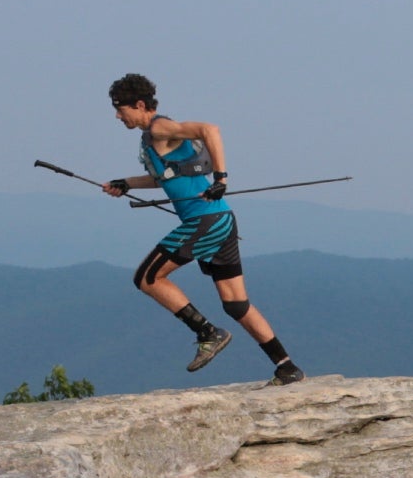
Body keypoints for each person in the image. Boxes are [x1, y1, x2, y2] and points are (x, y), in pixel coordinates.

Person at [103, 73, 303, 384]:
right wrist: (125, 183)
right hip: (221, 220)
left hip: (205, 222)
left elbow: (210, 129)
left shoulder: (159, 127)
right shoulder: (152, 139)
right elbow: (163, 178)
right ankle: (287, 367)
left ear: (139, 105)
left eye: (120, 108)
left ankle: (208, 333)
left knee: (147, 277)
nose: (117, 115)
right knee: (236, 304)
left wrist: (221, 179)